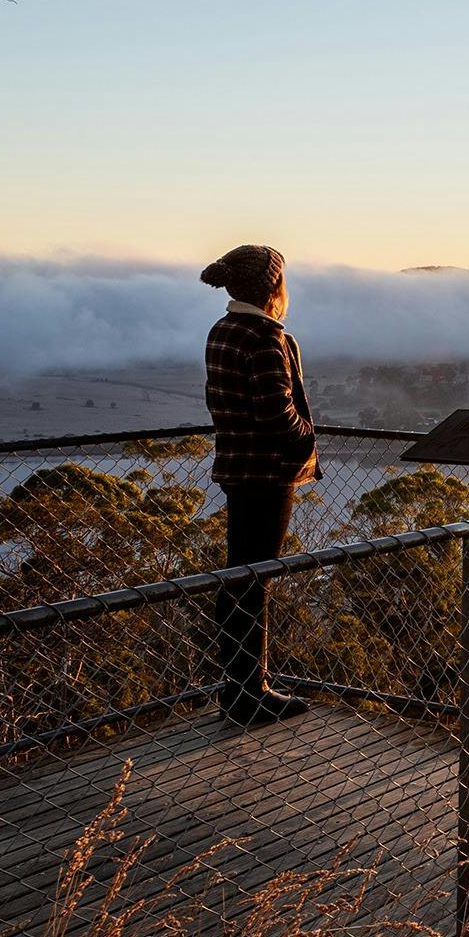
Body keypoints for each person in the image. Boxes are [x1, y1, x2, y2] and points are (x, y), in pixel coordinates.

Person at [201, 244, 317, 725]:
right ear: (273, 286)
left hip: (236, 468)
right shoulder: (264, 337)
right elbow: (277, 412)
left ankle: (239, 685)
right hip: (268, 474)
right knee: (255, 580)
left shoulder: (223, 330)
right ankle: (253, 691)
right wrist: (306, 442)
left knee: (239, 576)